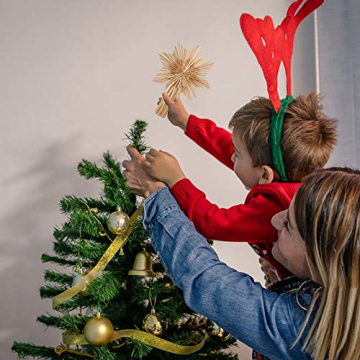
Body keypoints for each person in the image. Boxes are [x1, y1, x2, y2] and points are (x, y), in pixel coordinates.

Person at [123, 149, 360, 360]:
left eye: (289, 224)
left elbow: (207, 280)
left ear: (324, 259)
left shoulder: (306, 330)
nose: (274, 219)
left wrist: (155, 192)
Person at [142, 92, 337, 280]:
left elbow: (213, 223)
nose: (232, 156)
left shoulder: (275, 207)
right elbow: (233, 149)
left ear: (265, 174)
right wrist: (186, 121)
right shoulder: (302, 171)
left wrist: (175, 178)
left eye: (238, 154)